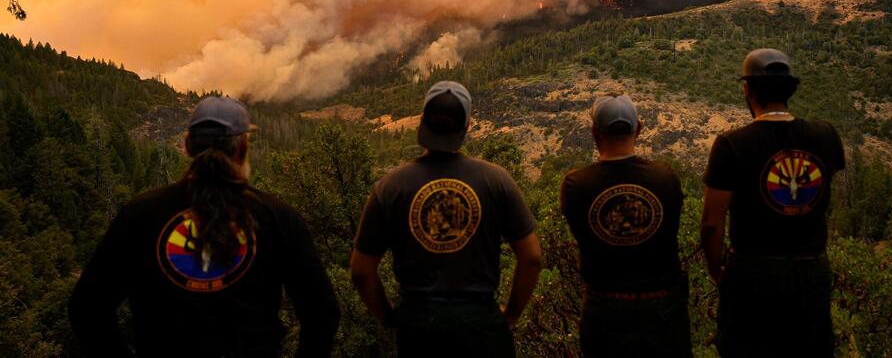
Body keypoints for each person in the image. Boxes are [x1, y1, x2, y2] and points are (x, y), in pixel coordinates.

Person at [69, 96, 340, 357]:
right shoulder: (277, 216)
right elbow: (322, 312)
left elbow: (87, 308)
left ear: (188, 146)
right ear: (243, 147)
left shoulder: (140, 214)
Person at [350, 80, 542, 357]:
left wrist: (389, 317)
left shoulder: (390, 187)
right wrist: (511, 314)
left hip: (419, 329)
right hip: (482, 326)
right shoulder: (496, 180)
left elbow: (361, 270)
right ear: (465, 128)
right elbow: (532, 257)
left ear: (422, 123)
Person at [701, 48, 845, 357]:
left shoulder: (732, 144)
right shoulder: (826, 137)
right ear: (790, 89)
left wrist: (717, 271)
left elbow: (712, 223)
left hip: (752, 274)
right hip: (811, 273)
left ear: (748, 90)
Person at [561, 95, 691, 357]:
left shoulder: (576, 185)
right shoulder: (665, 178)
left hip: (605, 311)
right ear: (639, 129)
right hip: (663, 310)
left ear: (594, 133)